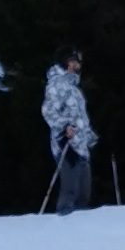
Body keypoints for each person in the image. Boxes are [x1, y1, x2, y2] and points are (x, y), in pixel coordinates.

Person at [41, 48, 94, 211]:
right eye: (72, 61)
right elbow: (48, 111)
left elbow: (80, 117)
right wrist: (64, 127)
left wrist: (89, 136)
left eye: (77, 62)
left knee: (84, 191)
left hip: (81, 145)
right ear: (64, 63)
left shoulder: (74, 89)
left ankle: (81, 220)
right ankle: (65, 218)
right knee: (70, 189)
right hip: (67, 144)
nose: (76, 66)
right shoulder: (57, 83)